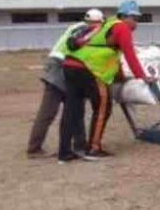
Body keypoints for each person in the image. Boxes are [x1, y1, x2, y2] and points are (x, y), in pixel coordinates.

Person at [58, 0, 154, 163]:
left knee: (71, 110)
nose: (137, 23)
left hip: (70, 66)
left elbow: (112, 56)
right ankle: (93, 149)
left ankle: (64, 153)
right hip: (89, 70)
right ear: (125, 16)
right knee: (103, 107)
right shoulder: (122, 27)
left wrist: (122, 78)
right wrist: (142, 76)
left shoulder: (106, 25)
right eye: (135, 18)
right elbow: (129, 54)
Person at [26, 9, 103, 159]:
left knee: (71, 107)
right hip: (61, 65)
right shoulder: (86, 30)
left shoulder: (77, 26)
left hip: (58, 64)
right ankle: (35, 149)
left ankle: (78, 145)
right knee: (55, 110)